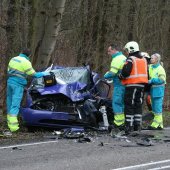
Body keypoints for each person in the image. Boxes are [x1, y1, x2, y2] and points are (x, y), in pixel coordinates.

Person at [6, 48, 49, 133]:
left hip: (10, 83)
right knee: (15, 105)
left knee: (9, 103)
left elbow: (9, 71)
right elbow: (34, 74)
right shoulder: (26, 62)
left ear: (21, 52)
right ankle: (13, 127)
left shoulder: (13, 59)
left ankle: (9, 124)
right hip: (18, 85)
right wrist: (44, 73)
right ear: (29, 55)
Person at [119, 41, 148, 134]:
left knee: (129, 105)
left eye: (127, 50)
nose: (126, 52)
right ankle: (137, 125)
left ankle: (129, 126)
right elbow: (148, 74)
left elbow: (125, 73)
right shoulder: (144, 59)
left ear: (131, 49)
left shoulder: (131, 59)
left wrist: (120, 76)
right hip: (142, 85)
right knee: (138, 105)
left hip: (132, 85)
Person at [104, 44, 126, 130]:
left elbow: (112, 73)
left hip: (119, 85)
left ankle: (118, 123)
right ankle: (123, 122)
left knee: (116, 103)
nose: (108, 53)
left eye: (109, 51)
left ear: (114, 50)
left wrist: (105, 76)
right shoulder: (123, 57)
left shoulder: (116, 59)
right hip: (125, 84)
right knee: (122, 104)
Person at [148, 53, 166, 130]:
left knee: (157, 109)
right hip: (153, 91)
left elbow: (162, 80)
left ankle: (155, 124)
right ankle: (160, 125)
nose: (150, 59)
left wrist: (152, 80)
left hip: (158, 91)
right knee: (155, 108)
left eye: (152, 58)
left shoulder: (160, 69)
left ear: (156, 60)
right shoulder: (151, 67)